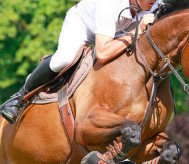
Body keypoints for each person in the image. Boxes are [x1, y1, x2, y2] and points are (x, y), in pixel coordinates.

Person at [0, 0, 160, 124]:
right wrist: (138, 29)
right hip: (83, 26)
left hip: (117, 34)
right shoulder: (111, 3)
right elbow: (103, 53)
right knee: (65, 58)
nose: (155, 0)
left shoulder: (155, 4)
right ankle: (19, 97)